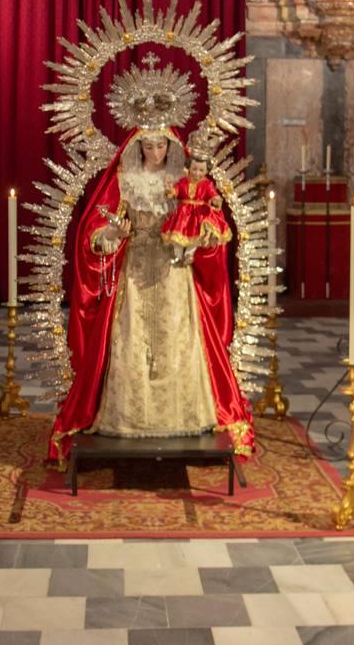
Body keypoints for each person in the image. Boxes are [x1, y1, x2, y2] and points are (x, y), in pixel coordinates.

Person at [47, 127, 254, 465]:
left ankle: (183, 416)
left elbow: (205, 215)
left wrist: (205, 234)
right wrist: (114, 231)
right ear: (137, 146)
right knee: (132, 336)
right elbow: (96, 227)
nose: (155, 152)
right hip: (136, 267)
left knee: (177, 335)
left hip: (174, 269)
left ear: (171, 147)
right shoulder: (124, 178)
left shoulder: (184, 179)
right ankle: (127, 417)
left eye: (161, 145)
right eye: (148, 145)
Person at [161, 155, 230, 266]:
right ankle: (177, 256)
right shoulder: (183, 181)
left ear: (207, 170)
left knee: (196, 236)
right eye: (194, 169)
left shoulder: (207, 184)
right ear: (189, 167)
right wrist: (171, 191)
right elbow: (176, 190)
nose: (197, 173)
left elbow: (212, 194)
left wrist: (216, 199)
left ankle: (189, 254)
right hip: (182, 214)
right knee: (176, 237)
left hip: (199, 215)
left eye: (201, 170)